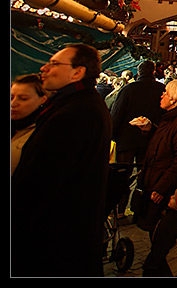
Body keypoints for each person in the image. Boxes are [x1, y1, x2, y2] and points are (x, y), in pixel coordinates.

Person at [11, 43, 113, 277]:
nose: (45, 68)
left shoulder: (77, 112)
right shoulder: (76, 105)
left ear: (77, 72)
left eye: (55, 63)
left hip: (55, 242)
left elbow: (41, 182)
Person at [134, 78, 177, 276]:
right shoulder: (172, 118)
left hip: (171, 194)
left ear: (174, 99)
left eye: (165, 93)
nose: (161, 96)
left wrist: (161, 188)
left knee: (164, 249)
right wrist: (150, 129)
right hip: (159, 183)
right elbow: (169, 147)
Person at [110, 60, 166, 169]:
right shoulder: (162, 89)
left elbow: (117, 113)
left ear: (138, 73)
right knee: (145, 172)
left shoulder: (127, 89)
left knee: (123, 173)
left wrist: (112, 134)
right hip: (150, 139)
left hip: (126, 138)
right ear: (153, 72)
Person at [10, 74, 48, 175]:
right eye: (11, 97)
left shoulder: (43, 131)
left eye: (23, 99)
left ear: (43, 100)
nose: (13, 104)